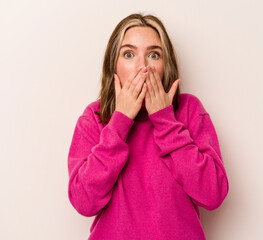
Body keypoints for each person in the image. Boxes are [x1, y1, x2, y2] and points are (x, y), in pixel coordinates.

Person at [67, 13, 229, 240]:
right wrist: (120, 121)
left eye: (154, 55)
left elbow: (213, 195)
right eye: (129, 54)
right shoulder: (94, 117)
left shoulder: (189, 109)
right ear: (113, 65)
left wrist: (165, 121)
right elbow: (84, 201)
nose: (142, 66)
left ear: (166, 66)